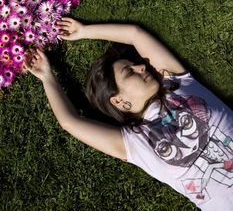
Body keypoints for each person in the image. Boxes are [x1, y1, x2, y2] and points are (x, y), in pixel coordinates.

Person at [23, 17, 233, 211]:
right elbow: (70, 122)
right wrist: (46, 77)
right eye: (130, 71)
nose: (142, 67)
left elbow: (135, 34)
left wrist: (84, 31)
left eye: (135, 66)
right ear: (119, 101)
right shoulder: (134, 143)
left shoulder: (178, 84)